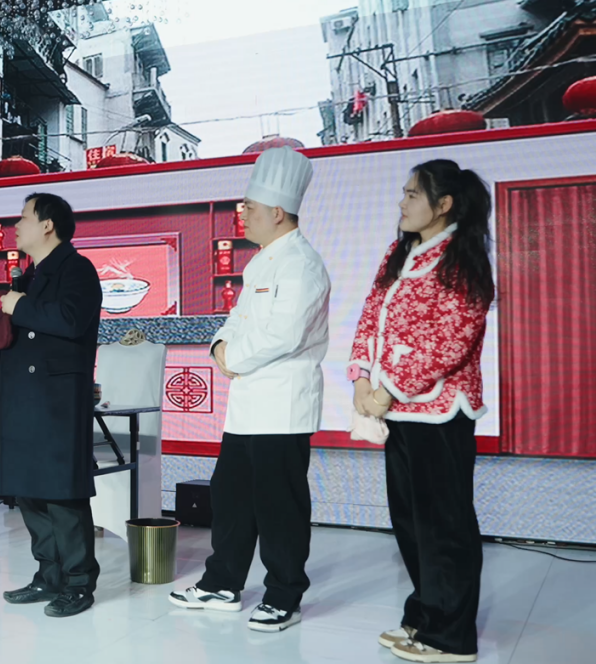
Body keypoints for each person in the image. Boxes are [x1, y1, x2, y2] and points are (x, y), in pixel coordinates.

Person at [168, 146, 331, 632]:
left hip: (282, 405)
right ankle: (222, 582)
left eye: (251, 208)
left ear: (278, 212)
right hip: (248, 406)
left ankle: (284, 594)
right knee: (231, 496)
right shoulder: (262, 261)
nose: (243, 214)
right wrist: (220, 346)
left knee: (279, 505)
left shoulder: (301, 263)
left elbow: (284, 334)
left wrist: (231, 358)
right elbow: (238, 317)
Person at [349, 160, 493, 664]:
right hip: (399, 414)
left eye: (413, 194)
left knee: (444, 526)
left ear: (444, 204)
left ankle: (452, 637)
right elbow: (371, 317)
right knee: (410, 522)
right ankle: (425, 615)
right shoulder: (401, 253)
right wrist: (361, 377)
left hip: (441, 413)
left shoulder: (461, 259)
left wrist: (387, 389)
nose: (402, 202)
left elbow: (449, 342)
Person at [0, 192, 103, 618]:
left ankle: (78, 583)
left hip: (55, 402)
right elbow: (6, 345)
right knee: (28, 493)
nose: (17, 225)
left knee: (62, 495)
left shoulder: (77, 269)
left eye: (23, 217)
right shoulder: (28, 276)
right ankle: (49, 575)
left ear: (47, 225)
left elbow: (71, 321)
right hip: (20, 402)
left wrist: (21, 305)